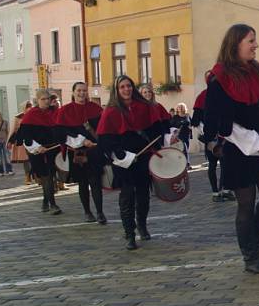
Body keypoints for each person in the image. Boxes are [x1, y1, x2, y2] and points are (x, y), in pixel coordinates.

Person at [203, 23, 259, 274]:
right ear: (236, 44)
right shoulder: (219, 78)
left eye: (255, 40)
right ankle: (251, 255)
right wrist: (255, 140)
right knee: (246, 203)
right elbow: (220, 124)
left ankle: (256, 241)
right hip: (239, 148)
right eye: (251, 41)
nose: (256, 45)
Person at [97, 75, 168, 250]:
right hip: (124, 160)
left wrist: (155, 145)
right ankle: (129, 233)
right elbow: (105, 138)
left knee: (143, 194)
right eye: (122, 87)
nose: (126, 89)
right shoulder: (111, 111)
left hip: (143, 157)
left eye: (128, 86)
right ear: (117, 90)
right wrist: (120, 154)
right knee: (127, 196)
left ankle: (142, 225)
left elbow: (156, 130)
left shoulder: (145, 106)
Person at [55, 82, 107, 224]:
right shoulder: (65, 110)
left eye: (84, 90)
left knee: (95, 182)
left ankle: (100, 212)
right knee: (83, 183)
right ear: (73, 92)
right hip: (77, 152)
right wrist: (81, 141)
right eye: (79, 90)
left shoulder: (95, 108)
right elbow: (61, 133)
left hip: (94, 151)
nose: (81, 93)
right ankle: (87, 212)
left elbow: (103, 128)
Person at [16, 89, 62, 214]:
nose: (46, 101)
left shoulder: (55, 112)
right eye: (43, 99)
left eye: (48, 98)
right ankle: (52, 204)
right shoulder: (31, 115)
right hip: (37, 151)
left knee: (50, 175)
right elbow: (26, 137)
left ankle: (46, 202)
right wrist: (37, 147)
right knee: (46, 176)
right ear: (37, 100)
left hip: (52, 150)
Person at [193, 71, 234, 202]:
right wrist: (206, 132)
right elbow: (195, 120)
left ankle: (224, 190)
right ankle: (215, 192)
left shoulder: (226, 94)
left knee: (225, 163)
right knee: (212, 164)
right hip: (210, 136)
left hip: (224, 135)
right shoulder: (202, 96)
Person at [8, 101, 34, 185]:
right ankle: (28, 177)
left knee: (35, 159)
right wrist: (11, 141)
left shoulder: (35, 115)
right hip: (23, 141)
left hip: (35, 140)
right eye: (27, 106)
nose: (29, 108)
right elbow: (15, 131)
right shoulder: (18, 117)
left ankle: (37, 176)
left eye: (30, 106)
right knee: (26, 160)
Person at [170, 103, 192, 169]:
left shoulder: (187, 115)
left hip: (186, 134)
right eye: (179, 107)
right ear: (177, 109)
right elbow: (171, 125)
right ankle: (187, 164)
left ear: (185, 108)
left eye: (182, 107)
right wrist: (180, 123)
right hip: (179, 135)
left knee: (186, 149)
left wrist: (190, 127)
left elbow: (191, 123)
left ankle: (184, 163)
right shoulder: (175, 117)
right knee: (184, 148)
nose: (181, 108)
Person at [0, 111, 13, 176]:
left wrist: (8, 141)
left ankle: (9, 170)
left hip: (5, 141)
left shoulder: (5, 122)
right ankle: (1, 172)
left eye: (0, 115)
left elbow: (8, 131)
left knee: (7, 156)